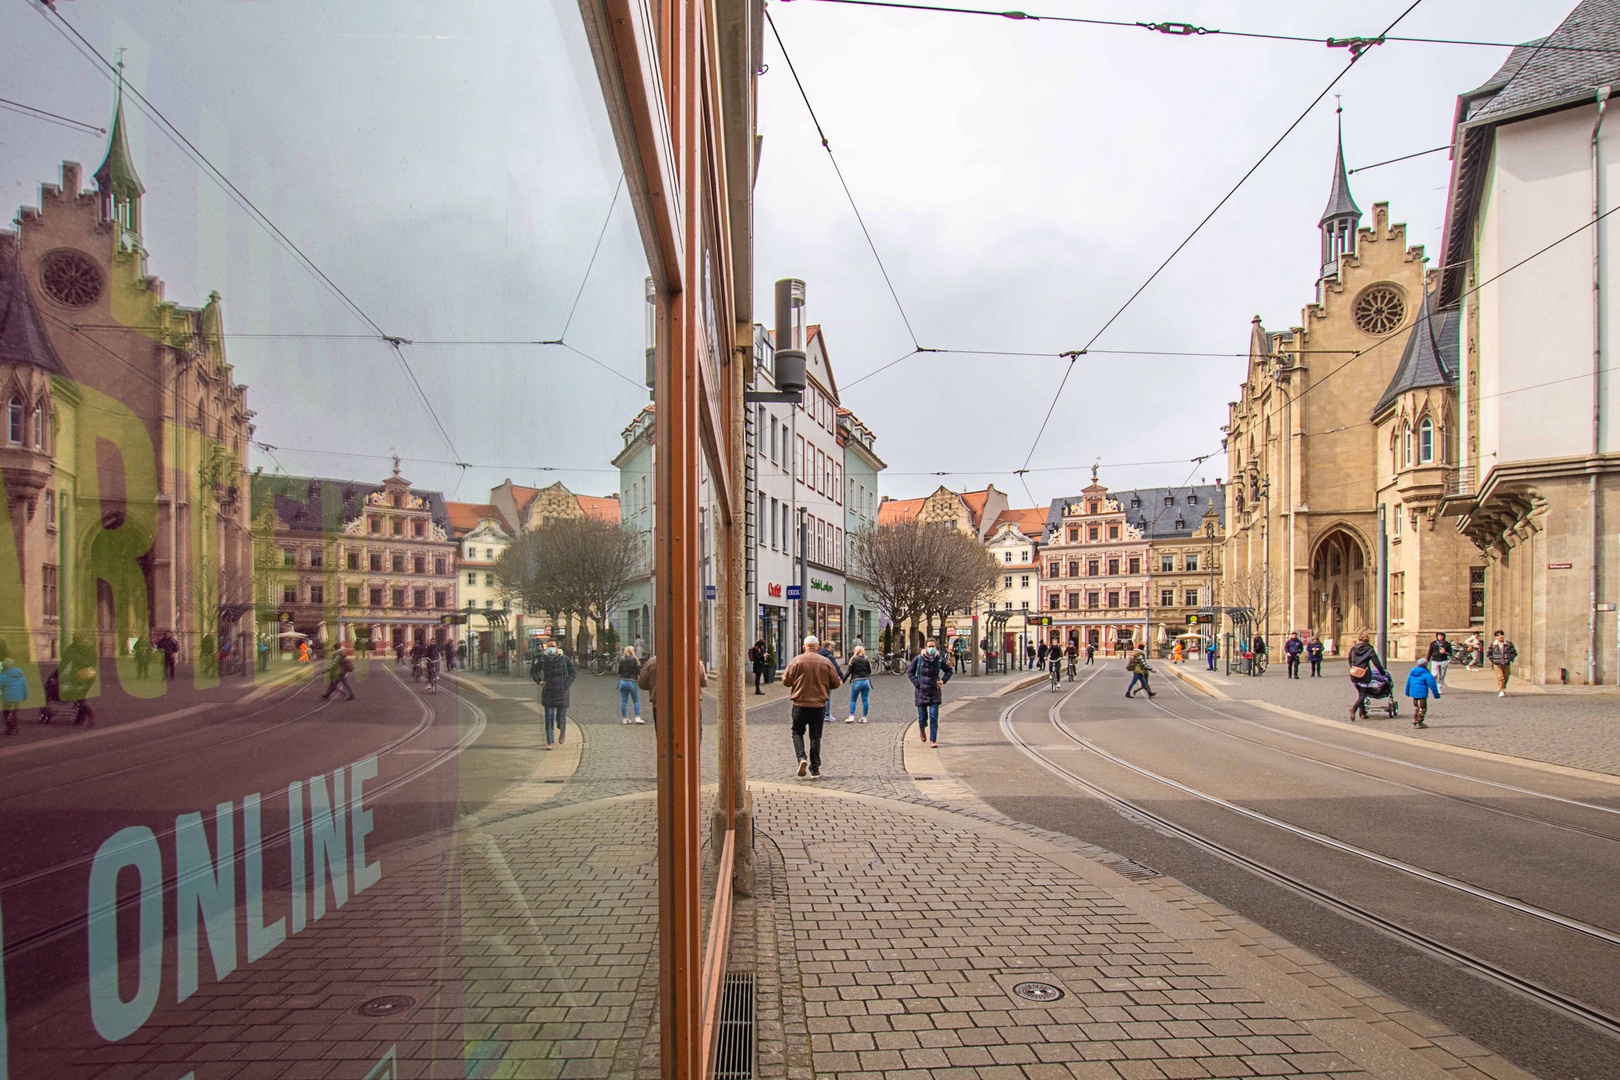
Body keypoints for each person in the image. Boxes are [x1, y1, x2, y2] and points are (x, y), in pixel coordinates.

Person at [782, 635, 841, 779]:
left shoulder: (796, 661)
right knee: (815, 737)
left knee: (797, 732)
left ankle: (801, 758)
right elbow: (835, 683)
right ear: (818, 647)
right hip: (819, 704)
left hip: (799, 704)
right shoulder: (826, 662)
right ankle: (815, 769)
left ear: (804, 647)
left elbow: (786, 681)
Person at [636, 652, 709, 728]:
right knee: (694, 732)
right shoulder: (695, 662)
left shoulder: (652, 662)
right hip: (690, 703)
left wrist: (654, 686)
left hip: (661, 703)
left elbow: (642, 683)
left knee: (663, 732)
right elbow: (704, 682)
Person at [908, 638, 953, 747]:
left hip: (934, 692)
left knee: (934, 716)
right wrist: (917, 684)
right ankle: (922, 728)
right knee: (922, 717)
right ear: (925, 647)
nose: (932, 648)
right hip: (921, 692)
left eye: (933, 646)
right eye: (930, 646)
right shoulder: (918, 659)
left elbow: (949, 671)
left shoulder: (940, 660)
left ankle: (933, 739)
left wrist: (943, 681)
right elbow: (910, 672)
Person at [536, 640, 577, 748]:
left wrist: (566, 685)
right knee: (549, 718)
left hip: (562, 692)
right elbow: (533, 671)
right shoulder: (543, 659)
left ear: (557, 647)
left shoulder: (564, 659)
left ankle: (562, 730)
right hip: (548, 691)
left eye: (552, 646)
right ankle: (550, 742)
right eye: (549, 646)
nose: (550, 648)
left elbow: (573, 672)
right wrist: (539, 681)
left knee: (561, 718)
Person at [1346, 631, 1387, 721]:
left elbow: (1349, 659)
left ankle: (1363, 713)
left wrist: (1353, 667)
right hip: (1364, 674)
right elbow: (1376, 663)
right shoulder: (1369, 649)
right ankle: (1354, 708)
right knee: (1363, 694)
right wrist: (1382, 672)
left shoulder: (1353, 649)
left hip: (1354, 674)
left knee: (1360, 694)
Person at [61, 634, 98, 728]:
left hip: (79, 675)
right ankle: (80, 719)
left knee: (79, 697)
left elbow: (65, 662)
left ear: (74, 639)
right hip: (90, 674)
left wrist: (58, 672)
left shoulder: (73, 648)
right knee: (81, 696)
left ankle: (90, 714)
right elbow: (94, 661)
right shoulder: (89, 648)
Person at [1405, 657, 1440, 729]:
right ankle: (1419, 722)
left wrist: (1407, 692)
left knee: (1416, 707)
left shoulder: (1412, 672)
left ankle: (1415, 720)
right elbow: (1432, 685)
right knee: (1422, 708)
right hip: (1422, 694)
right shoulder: (1427, 674)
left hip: (1414, 694)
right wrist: (1436, 694)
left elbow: (1408, 683)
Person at [818, 641, 845, 722]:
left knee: (819, 697)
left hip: (818, 679)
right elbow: (836, 667)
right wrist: (842, 677)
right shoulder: (829, 656)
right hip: (827, 679)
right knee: (827, 697)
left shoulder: (818, 655)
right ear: (829, 647)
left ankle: (819, 714)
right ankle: (826, 715)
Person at [845, 644, 873, 723]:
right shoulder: (867, 659)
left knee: (853, 699)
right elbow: (869, 671)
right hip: (866, 681)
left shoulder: (853, 659)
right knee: (865, 700)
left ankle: (851, 716)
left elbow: (848, 672)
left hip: (857, 681)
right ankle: (864, 717)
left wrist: (843, 680)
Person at [1487, 630, 1518, 696]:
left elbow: (1514, 652)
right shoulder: (1493, 645)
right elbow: (1488, 654)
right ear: (1496, 637)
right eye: (1498, 636)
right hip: (1497, 664)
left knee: (1506, 676)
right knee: (1500, 677)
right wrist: (1494, 660)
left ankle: (1503, 686)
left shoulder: (1508, 644)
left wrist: (1509, 658)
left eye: (1501, 635)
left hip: (1506, 663)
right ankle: (1501, 690)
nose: (1500, 637)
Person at [617, 646, 643, 723]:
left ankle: (625, 719)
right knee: (635, 700)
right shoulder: (634, 660)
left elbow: (619, 672)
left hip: (622, 682)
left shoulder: (622, 660)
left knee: (624, 701)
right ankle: (637, 717)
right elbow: (638, 671)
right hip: (632, 681)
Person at [1, 659, 26, 736]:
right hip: (18, 698)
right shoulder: (20, 674)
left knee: (6, 713)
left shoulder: (4, 675)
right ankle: (16, 727)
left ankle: (11, 728)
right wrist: (25, 696)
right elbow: (25, 686)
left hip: (8, 698)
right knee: (14, 712)